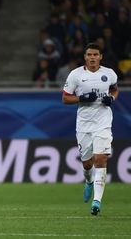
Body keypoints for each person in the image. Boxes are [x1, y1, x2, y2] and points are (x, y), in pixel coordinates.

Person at [62, 43, 119, 216]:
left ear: (101, 56)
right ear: (85, 57)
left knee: (100, 159)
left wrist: (111, 98)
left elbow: (115, 90)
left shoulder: (109, 73)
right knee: (87, 163)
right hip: (84, 124)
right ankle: (88, 181)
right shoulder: (76, 75)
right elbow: (65, 98)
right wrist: (82, 98)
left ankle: (96, 202)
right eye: (89, 54)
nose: (92, 57)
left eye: (95, 54)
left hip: (103, 122)